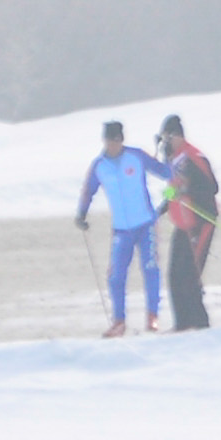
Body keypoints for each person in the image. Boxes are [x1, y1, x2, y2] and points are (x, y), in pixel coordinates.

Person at [77, 122, 165, 336]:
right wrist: (82, 214)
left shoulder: (136, 156)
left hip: (145, 224)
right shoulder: (99, 166)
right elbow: (88, 191)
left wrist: (169, 197)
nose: (114, 144)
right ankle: (119, 321)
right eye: (111, 140)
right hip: (122, 229)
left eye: (118, 140)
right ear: (105, 140)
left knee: (150, 268)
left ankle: (152, 316)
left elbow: (165, 173)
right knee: (116, 276)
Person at [157, 116, 221, 333]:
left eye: (168, 138)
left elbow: (212, 187)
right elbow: (172, 189)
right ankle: (183, 322)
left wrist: (187, 191)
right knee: (174, 273)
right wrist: (161, 209)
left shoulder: (193, 157)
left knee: (190, 273)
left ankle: (200, 322)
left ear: (177, 136)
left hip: (200, 222)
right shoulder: (173, 160)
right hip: (182, 224)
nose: (166, 143)